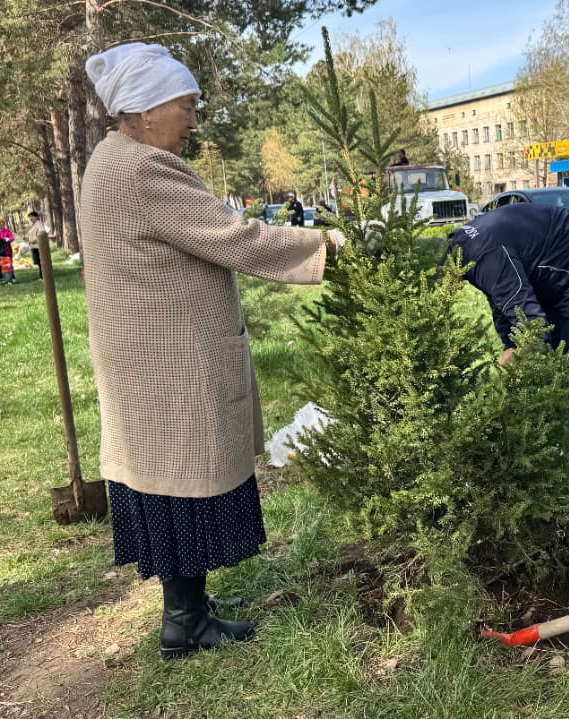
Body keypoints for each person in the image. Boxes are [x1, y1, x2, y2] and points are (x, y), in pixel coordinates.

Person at [81, 42, 343, 661]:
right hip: (169, 362)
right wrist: (332, 246)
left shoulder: (109, 159)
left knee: (170, 481)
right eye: (187, 105)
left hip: (149, 358)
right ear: (146, 112)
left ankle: (189, 610)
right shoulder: (140, 169)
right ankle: (184, 623)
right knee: (180, 481)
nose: (194, 120)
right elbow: (235, 237)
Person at [447, 202, 569, 416]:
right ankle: (550, 433)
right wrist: (510, 343)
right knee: (551, 353)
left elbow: (534, 325)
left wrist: (518, 361)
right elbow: (501, 296)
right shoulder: (464, 247)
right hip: (548, 264)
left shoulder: (483, 255)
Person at [0, 217, 15, 284]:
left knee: (9, 264)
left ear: (4, 223)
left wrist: (8, 239)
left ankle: (12, 277)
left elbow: (12, 238)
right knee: (1, 265)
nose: (0, 224)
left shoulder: (7, 231)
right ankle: (4, 278)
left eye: (1, 222)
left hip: (7, 250)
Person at [27, 210, 49, 279]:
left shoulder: (39, 224)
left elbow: (42, 234)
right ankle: (42, 276)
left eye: (32, 217)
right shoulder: (33, 225)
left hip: (38, 246)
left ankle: (43, 276)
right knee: (38, 262)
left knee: (41, 262)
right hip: (33, 246)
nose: (31, 218)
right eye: (30, 217)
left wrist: (34, 240)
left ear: (36, 217)